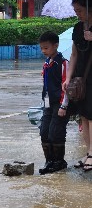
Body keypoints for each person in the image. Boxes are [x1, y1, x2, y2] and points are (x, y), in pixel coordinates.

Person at [64, 0, 92, 171]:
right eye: (75, 11)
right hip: (80, 77)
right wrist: (68, 78)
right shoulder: (77, 28)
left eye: (80, 10)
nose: (78, 14)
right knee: (83, 116)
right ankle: (89, 152)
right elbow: (74, 54)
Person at [38, 31, 71, 174]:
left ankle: (59, 162)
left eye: (46, 48)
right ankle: (49, 161)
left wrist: (64, 106)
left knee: (55, 133)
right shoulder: (47, 63)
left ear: (56, 46)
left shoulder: (63, 63)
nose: (43, 51)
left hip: (60, 103)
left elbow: (66, 87)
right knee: (44, 132)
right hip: (48, 103)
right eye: (42, 48)